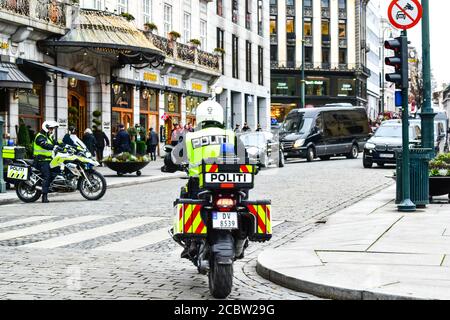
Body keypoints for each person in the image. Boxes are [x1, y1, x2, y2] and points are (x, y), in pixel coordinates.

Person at [33, 120, 60, 203]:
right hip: (41, 160)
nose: (52, 130)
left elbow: (57, 143)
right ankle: (44, 196)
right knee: (47, 176)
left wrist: (65, 146)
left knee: (58, 169)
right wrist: (53, 147)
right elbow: (44, 145)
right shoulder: (40, 136)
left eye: (52, 129)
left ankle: (51, 186)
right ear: (46, 128)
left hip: (49, 159)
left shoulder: (49, 136)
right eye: (50, 128)